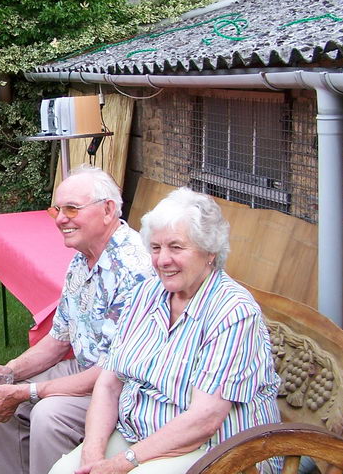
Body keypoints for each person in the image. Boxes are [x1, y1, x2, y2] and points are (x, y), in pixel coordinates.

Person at [49, 187, 282, 474]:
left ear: (209, 251)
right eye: (156, 248)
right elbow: (109, 384)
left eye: (176, 247)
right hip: (139, 436)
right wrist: (92, 457)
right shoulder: (146, 293)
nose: (162, 260)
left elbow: (204, 419)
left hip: (221, 452)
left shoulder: (233, 312)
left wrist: (121, 464)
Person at [0, 165, 154, 474]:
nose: (59, 219)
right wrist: (9, 371)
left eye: (72, 209)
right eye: (58, 209)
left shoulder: (135, 269)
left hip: (127, 386)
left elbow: (114, 372)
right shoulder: (81, 260)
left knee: (49, 415)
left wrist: (30, 392)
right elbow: (59, 340)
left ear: (108, 210)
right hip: (86, 367)